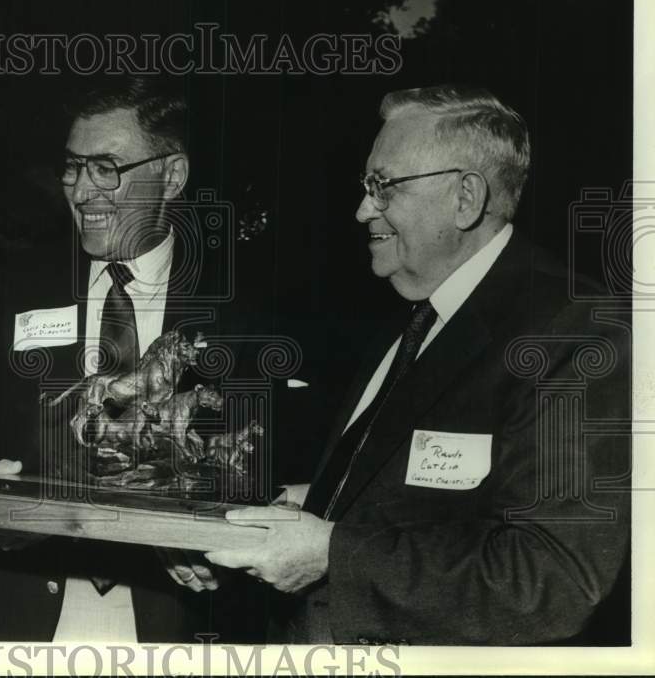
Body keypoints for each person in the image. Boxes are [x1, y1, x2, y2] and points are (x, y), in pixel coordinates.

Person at [204, 85, 630, 645]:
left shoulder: (572, 331)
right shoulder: (418, 312)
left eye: (384, 187)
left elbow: (550, 580)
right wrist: (315, 500)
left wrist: (331, 553)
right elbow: (430, 490)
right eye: (365, 186)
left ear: (465, 198)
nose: (362, 210)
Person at [0, 77, 277, 642]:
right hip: (22, 609)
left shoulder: (246, 302)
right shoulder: (11, 284)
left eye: (107, 167)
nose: (83, 189)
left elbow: (262, 456)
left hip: (179, 617)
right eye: (72, 167)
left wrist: (209, 534)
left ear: (172, 175)